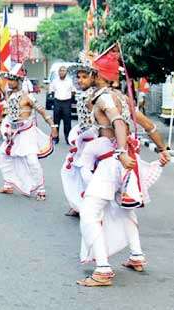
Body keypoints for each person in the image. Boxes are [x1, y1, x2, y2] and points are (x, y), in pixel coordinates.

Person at [76, 48, 171, 287]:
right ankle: (136, 256)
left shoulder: (105, 98)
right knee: (126, 211)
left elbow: (118, 121)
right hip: (125, 160)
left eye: (86, 73)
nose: (81, 78)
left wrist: (119, 153)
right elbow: (148, 125)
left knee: (89, 212)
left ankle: (103, 270)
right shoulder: (122, 97)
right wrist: (162, 149)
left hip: (113, 161)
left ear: (97, 74)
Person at [0, 63, 58, 201]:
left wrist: (53, 127)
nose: (9, 82)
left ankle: (40, 189)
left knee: (32, 161)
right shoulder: (9, 95)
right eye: (9, 79)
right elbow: (9, 114)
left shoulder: (28, 97)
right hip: (12, 133)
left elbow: (42, 111)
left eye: (12, 80)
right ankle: (8, 184)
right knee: (3, 157)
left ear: (19, 81)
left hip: (27, 133)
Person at [61, 61, 98, 217]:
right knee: (71, 172)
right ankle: (78, 205)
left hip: (96, 141)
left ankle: (93, 207)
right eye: (78, 77)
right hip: (82, 140)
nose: (80, 80)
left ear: (93, 78)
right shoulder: (82, 93)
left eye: (84, 77)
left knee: (87, 174)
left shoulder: (96, 95)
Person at [49, 66, 75, 144]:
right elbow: (52, 91)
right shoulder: (55, 81)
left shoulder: (70, 81)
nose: (62, 72)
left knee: (67, 122)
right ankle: (55, 138)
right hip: (57, 102)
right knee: (56, 122)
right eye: (60, 70)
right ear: (58, 72)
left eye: (64, 71)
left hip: (67, 103)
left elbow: (73, 91)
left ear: (66, 72)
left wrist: (69, 100)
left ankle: (68, 139)